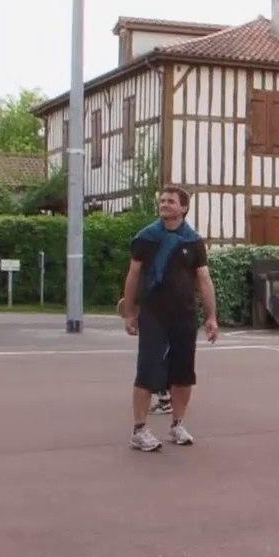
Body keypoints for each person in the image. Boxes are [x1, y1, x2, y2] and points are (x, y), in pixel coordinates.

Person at [122, 186, 219, 452]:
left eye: (170, 201)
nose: (164, 204)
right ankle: (139, 429)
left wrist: (211, 316)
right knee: (148, 369)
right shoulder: (146, 238)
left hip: (185, 314)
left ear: (183, 208)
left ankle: (177, 424)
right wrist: (130, 312)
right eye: (162, 200)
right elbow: (133, 277)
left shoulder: (193, 241)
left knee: (183, 373)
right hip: (153, 314)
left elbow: (204, 279)